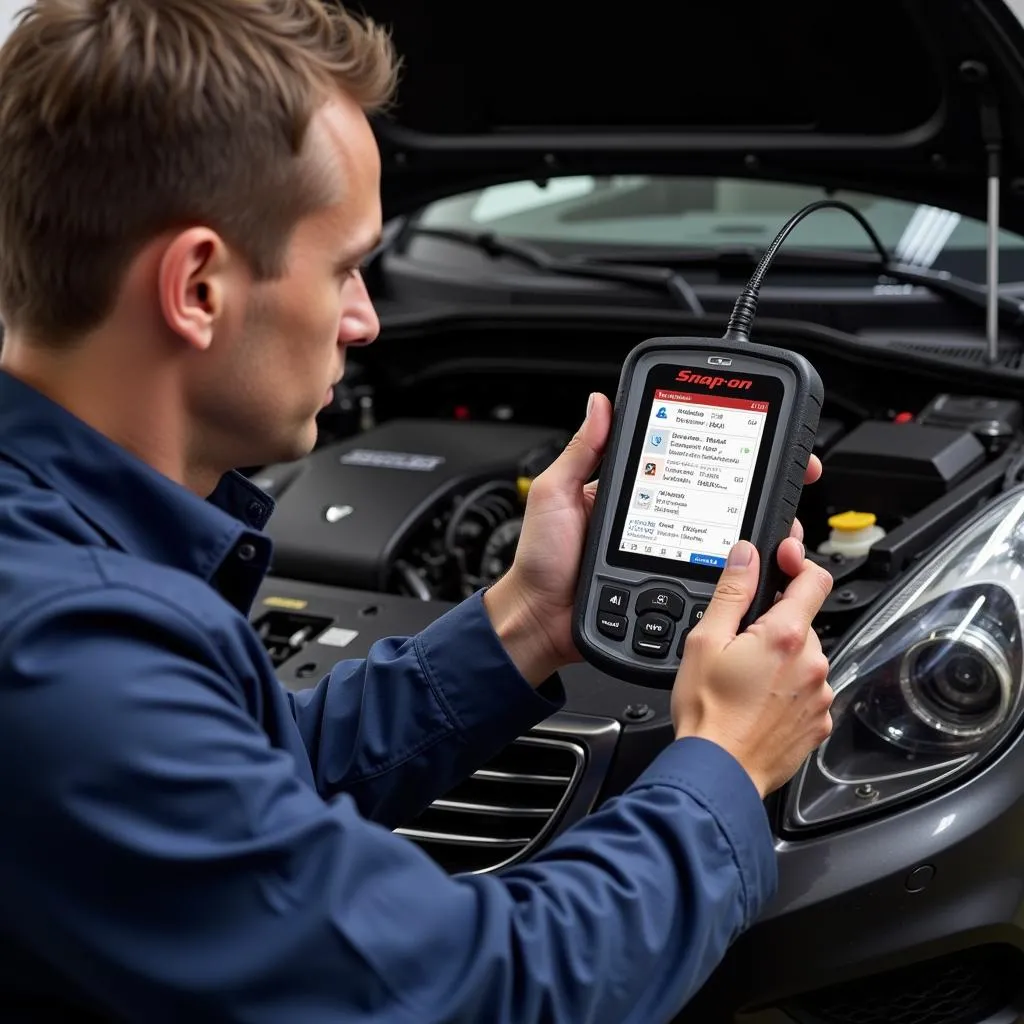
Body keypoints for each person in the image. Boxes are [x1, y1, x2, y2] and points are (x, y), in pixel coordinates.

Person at [0, 2, 834, 1021]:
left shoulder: (53, 558)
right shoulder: (68, 654)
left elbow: (245, 792)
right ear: (200, 285)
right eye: (347, 265)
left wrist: (527, 617)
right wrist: (725, 763)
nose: (367, 318)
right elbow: (466, 992)